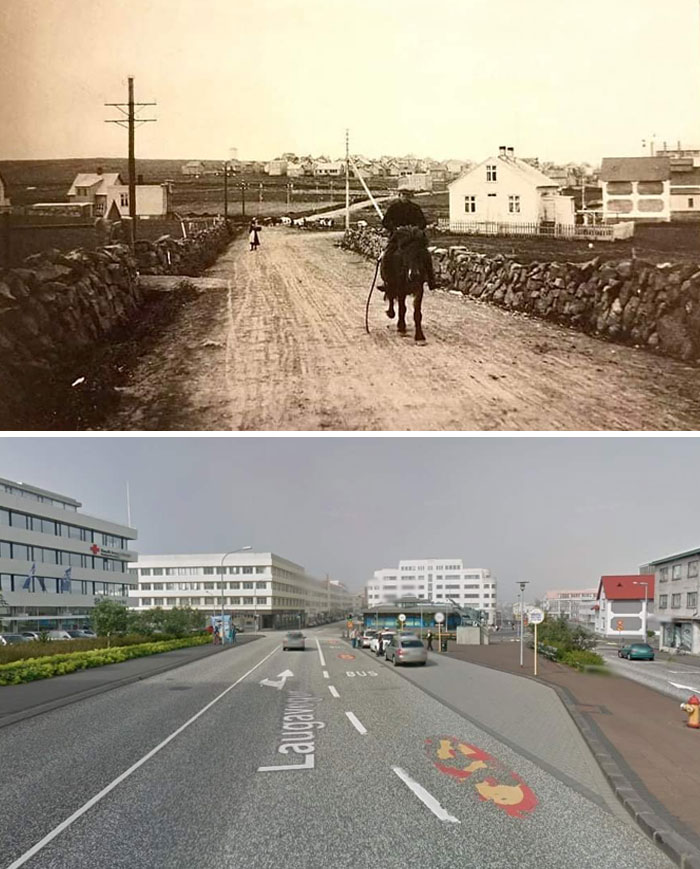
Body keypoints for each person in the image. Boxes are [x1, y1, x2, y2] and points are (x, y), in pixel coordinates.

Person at [379, 188, 435, 289]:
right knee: (388, 254)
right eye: (403, 194)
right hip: (397, 237)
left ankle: (431, 280)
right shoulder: (393, 208)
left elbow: (422, 222)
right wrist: (394, 228)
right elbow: (385, 222)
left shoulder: (415, 208)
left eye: (407, 195)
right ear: (399, 195)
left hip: (413, 238)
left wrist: (415, 228)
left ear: (409, 197)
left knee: (425, 254)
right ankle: (387, 280)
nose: (404, 197)